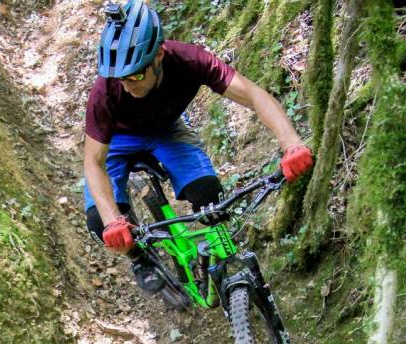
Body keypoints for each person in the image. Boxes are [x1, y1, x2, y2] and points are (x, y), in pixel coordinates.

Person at [83, 0, 314, 294]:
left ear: (159, 55)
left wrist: (291, 143)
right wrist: (113, 221)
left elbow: (254, 95)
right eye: (120, 78)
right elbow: (94, 162)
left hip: (168, 131)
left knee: (209, 196)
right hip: (117, 141)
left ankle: (223, 264)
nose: (127, 86)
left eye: (136, 75)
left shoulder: (189, 60)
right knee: (99, 224)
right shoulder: (105, 91)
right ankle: (140, 259)